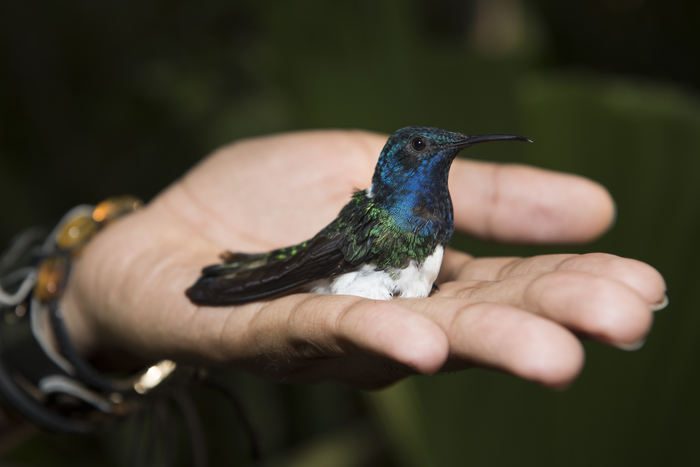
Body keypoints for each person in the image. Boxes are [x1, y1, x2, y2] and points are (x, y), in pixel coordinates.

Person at [58, 129, 666, 391]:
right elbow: (307, 264)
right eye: (426, 146)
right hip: (344, 272)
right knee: (270, 270)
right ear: (402, 161)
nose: (441, 150)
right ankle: (233, 273)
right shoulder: (376, 218)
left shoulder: (432, 208)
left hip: (399, 271)